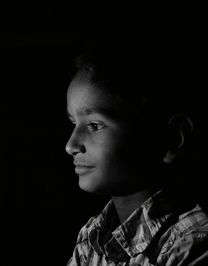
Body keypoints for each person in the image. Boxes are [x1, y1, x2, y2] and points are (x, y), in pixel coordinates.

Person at [65, 39, 208, 265]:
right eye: (73, 122)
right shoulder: (89, 238)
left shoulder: (191, 242)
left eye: (95, 125)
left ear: (170, 138)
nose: (71, 145)